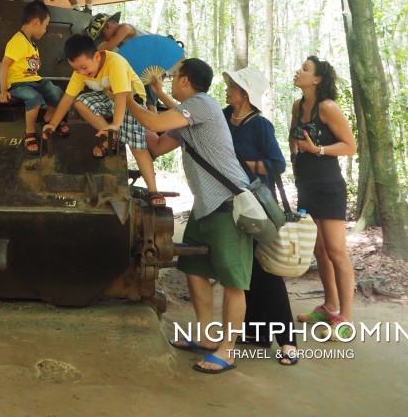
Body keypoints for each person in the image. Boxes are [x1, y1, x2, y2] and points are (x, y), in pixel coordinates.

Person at [131, 57, 252, 374]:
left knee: (232, 282)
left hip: (228, 205)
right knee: (195, 270)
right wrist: (140, 114)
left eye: (173, 77)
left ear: (185, 81)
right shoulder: (187, 116)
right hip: (204, 208)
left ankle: (227, 350)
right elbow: (156, 144)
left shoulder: (201, 104)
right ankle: (206, 336)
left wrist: (125, 99)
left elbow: (156, 123)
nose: (170, 80)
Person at [221, 67, 299, 365]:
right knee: (247, 267)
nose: (227, 88)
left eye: (233, 86)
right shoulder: (224, 117)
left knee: (266, 273)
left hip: (255, 206)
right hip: (231, 203)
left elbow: (277, 164)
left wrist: (246, 166)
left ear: (245, 94)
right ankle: (257, 331)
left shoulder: (260, 125)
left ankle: (288, 342)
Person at [42, 35, 164, 206]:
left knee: (137, 147)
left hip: (131, 99)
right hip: (108, 96)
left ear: (97, 56)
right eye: (76, 69)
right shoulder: (80, 72)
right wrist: (53, 123)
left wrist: (116, 124)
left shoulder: (115, 63)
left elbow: (122, 96)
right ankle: (111, 137)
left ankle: (153, 190)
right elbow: (68, 98)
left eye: (84, 67)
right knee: (81, 103)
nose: (81, 73)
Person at [290, 56, 357, 340]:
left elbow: (350, 146)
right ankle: (329, 307)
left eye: (305, 69)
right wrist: (297, 151)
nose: (298, 71)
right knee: (318, 251)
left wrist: (317, 149)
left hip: (329, 186)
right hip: (306, 185)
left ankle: (346, 319)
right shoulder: (298, 105)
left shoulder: (327, 107)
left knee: (336, 252)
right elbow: (295, 139)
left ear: (317, 79)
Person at [0, 0, 67, 154]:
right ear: (36, 22)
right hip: (19, 84)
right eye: (45, 26)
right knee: (34, 99)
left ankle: (49, 117)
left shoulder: (31, 44)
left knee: (57, 92)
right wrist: (3, 91)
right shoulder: (18, 42)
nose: (45, 30)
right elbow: (4, 65)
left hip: (34, 80)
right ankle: (29, 131)